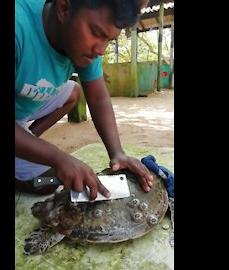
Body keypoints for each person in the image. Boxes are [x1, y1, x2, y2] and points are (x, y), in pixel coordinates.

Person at [15, 0, 153, 201]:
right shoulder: (19, 26)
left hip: (23, 105)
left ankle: (26, 139)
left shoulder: (83, 45)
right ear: (63, 8)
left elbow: (98, 98)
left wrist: (117, 153)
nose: (101, 50)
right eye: (97, 33)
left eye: (109, 40)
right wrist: (58, 158)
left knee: (73, 92)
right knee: (46, 182)